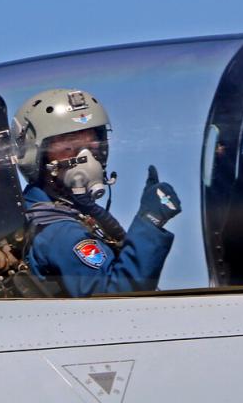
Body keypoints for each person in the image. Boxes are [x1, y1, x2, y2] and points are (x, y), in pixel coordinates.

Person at [11, 88, 181, 297]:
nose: (87, 157)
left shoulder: (47, 212)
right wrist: (149, 222)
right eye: (70, 146)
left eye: (92, 145)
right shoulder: (61, 232)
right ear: (36, 155)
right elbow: (118, 298)